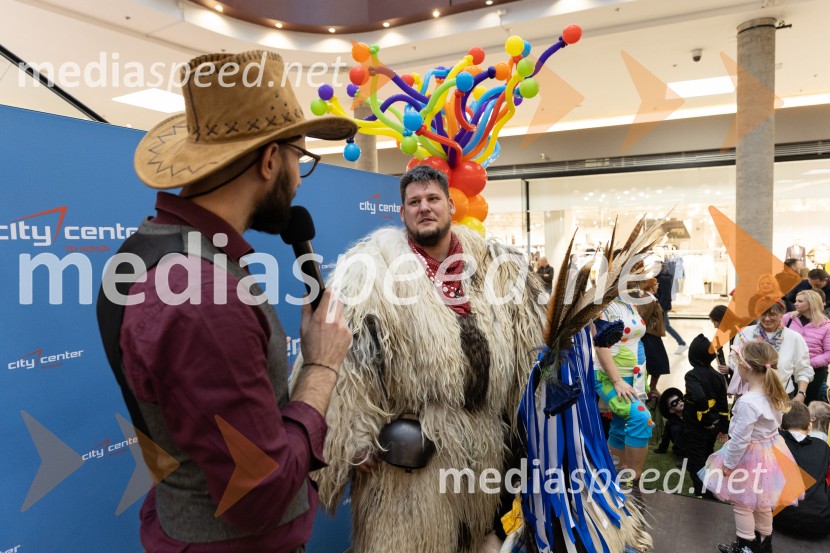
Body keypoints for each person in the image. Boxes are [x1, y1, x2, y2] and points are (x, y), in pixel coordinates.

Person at [95, 51, 357, 553]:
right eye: (300, 159)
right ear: (269, 161)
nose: (300, 178)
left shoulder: (146, 251)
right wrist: (321, 366)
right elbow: (262, 495)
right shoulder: (203, 296)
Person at [303, 165, 547, 553]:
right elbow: (347, 357)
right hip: (408, 467)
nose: (424, 208)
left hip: (482, 456)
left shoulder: (498, 269)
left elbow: (530, 347)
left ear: (451, 205)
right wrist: (351, 436)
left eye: (432, 199)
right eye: (414, 202)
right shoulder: (370, 270)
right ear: (402, 213)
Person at [701, 341, 802, 553]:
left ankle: (746, 546)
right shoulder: (774, 394)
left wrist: (729, 464)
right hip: (771, 455)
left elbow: (739, 439)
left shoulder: (747, 402)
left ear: (745, 368)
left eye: (738, 364)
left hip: (748, 457)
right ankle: (765, 543)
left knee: (742, 503)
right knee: (763, 502)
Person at [595, 295, 653, 482]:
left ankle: (617, 474)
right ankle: (634, 478)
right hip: (611, 377)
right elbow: (600, 344)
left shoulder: (628, 301)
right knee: (641, 418)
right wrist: (617, 380)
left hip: (634, 376)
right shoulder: (602, 303)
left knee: (620, 425)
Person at [728, 301, 813, 402]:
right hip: (749, 395)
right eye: (763, 314)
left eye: (773, 314)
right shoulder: (745, 334)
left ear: (782, 314)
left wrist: (801, 394)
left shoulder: (794, 338)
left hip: (782, 395)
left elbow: (803, 369)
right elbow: (733, 359)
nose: (767, 318)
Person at [681, 334, 729, 499]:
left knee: (695, 462)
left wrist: (706, 419)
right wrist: (723, 427)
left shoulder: (692, 376)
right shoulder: (718, 376)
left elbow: (700, 398)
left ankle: (703, 495)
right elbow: (723, 404)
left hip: (697, 427)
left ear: (692, 357)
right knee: (708, 457)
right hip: (713, 428)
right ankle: (709, 490)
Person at [773, 401, 830, 539]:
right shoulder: (823, 447)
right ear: (810, 425)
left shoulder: (774, 442)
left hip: (780, 518)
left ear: (780, 424)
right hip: (821, 523)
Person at [782, 290, 830, 404]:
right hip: (788, 368)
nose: (795, 304)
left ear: (811, 303)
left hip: (814, 371)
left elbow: (828, 353)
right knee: (786, 403)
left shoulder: (826, 325)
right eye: (795, 301)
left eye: (800, 301)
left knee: (809, 403)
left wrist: (807, 362)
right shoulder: (787, 318)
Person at [636, 277, 671, 397]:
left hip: (652, 334)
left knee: (656, 362)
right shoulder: (647, 299)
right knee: (656, 362)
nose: (658, 286)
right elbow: (643, 317)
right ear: (650, 286)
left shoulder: (650, 298)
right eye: (656, 284)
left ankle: (651, 387)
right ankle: (651, 387)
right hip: (649, 335)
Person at [656, 262, 687, 354]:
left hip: (662, 306)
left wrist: (659, 307)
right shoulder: (660, 277)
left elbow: (665, 295)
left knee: (666, 326)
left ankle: (682, 343)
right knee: (662, 326)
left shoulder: (663, 278)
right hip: (660, 306)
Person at [654, 387, 687, 464]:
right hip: (682, 445)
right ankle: (682, 456)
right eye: (674, 402)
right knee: (676, 428)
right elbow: (666, 437)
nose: (679, 402)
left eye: (679, 400)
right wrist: (662, 449)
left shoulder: (691, 414)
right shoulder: (671, 422)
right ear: (672, 410)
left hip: (695, 443)